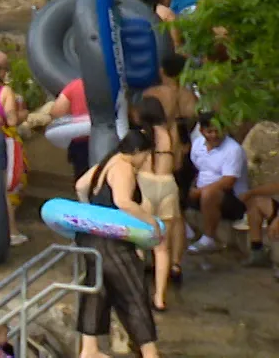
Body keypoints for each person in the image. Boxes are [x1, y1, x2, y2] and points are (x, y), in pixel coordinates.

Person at [74, 132, 164, 358]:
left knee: (97, 290)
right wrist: (150, 222)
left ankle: (89, 350)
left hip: (91, 237)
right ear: (136, 152)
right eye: (144, 156)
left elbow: (80, 186)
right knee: (133, 293)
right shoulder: (123, 167)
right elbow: (122, 202)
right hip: (112, 242)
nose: (145, 161)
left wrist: (91, 214)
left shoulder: (104, 163)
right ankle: (149, 352)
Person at [132, 97, 182, 308]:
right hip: (168, 184)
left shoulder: (139, 135)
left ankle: (137, 294)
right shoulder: (172, 133)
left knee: (138, 244)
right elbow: (177, 163)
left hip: (146, 184)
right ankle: (160, 298)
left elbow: (133, 164)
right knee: (162, 248)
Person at [186, 112, 248, 254]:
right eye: (210, 131)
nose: (214, 135)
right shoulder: (197, 145)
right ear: (202, 131)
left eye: (217, 131)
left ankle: (208, 239)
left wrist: (200, 192)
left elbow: (228, 181)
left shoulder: (233, 149)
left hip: (233, 198)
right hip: (201, 192)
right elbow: (198, 169)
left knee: (209, 194)